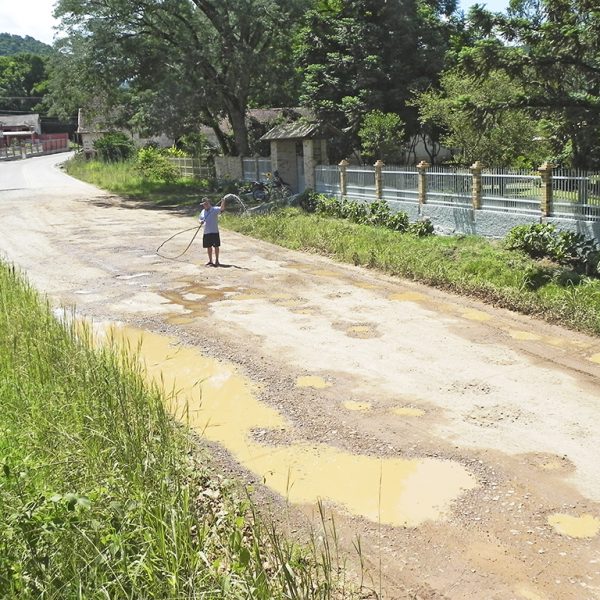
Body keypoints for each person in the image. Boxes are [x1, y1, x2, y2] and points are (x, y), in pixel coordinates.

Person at [198, 196, 226, 266]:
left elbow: (222, 208)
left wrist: (223, 202)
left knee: (216, 246)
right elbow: (200, 219)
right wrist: (200, 221)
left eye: (206, 203)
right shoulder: (203, 211)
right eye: (204, 204)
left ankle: (217, 260)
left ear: (209, 203)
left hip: (214, 231)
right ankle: (210, 260)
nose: (205, 205)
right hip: (206, 232)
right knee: (208, 247)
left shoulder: (214, 209)